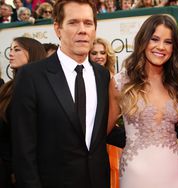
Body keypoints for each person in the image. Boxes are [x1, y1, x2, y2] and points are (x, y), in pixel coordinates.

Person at [10, 0, 112, 187]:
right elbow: (23, 149)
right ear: (57, 28)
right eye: (73, 22)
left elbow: (100, 131)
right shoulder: (31, 76)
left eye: (88, 23)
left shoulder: (102, 75)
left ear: (95, 30)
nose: (82, 30)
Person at [107, 14, 178, 188]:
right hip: (135, 175)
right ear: (143, 41)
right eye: (154, 39)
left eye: (168, 42)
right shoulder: (121, 82)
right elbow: (102, 132)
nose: (161, 47)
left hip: (174, 172)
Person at [0, 36, 46, 188]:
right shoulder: (7, 88)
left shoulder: (42, 90)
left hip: (21, 172)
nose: (11, 53)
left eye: (17, 50)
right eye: (11, 49)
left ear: (33, 54)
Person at [89, 37, 122, 188]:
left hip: (110, 134)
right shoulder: (84, 77)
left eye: (102, 52)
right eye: (94, 53)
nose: (99, 56)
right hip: (94, 137)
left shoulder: (113, 78)